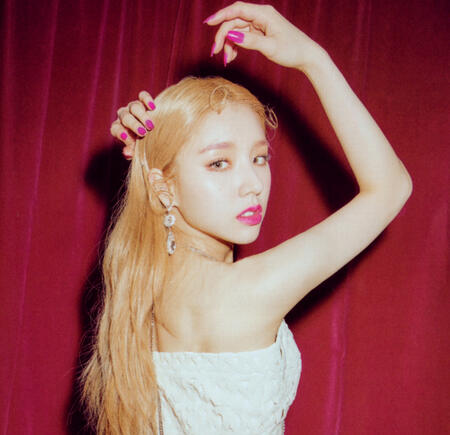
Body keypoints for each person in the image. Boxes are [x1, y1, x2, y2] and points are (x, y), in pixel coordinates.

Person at [81, 2, 412, 434]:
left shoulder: (137, 289)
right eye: (219, 163)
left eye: (259, 158)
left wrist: (150, 154)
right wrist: (314, 59)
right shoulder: (248, 290)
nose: (252, 183)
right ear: (163, 187)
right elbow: (390, 188)